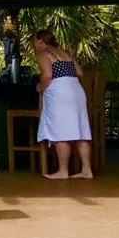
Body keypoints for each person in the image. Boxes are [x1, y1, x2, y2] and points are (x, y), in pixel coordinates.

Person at [34, 29, 93, 179]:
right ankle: (86, 170)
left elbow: (48, 75)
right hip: (76, 91)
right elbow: (79, 72)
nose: (35, 45)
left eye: (35, 41)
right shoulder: (64, 53)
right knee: (81, 131)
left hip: (60, 94)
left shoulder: (43, 54)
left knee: (61, 132)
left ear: (41, 41)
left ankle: (63, 171)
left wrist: (40, 87)